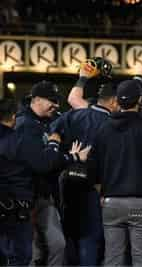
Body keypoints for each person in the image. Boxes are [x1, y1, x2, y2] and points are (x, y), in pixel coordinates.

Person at [88, 80, 142, 266]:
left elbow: (93, 166)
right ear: (140, 100)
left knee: (113, 258)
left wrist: (101, 191)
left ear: (117, 100)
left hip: (112, 202)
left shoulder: (104, 128)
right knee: (141, 260)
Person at [0, 98, 88, 266]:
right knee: (21, 257)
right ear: (12, 117)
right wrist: (60, 148)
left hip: (22, 203)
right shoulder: (16, 139)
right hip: (17, 206)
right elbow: (44, 164)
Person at [50, 82, 119, 266]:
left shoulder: (73, 115)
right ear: (113, 102)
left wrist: (64, 155)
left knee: (70, 232)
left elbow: (53, 133)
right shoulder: (111, 124)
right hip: (95, 187)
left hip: (68, 180)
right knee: (90, 236)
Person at [14, 81, 70, 266]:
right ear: (36, 99)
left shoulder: (46, 122)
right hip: (24, 198)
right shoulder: (24, 124)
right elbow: (42, 164)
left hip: (43, 196)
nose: (56, 105)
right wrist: (55, 146)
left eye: (57, 100)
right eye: (51, 100)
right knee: (32, 253)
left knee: (58, 245)